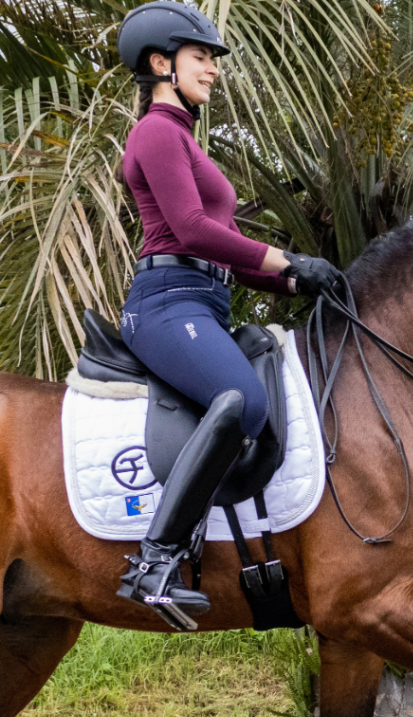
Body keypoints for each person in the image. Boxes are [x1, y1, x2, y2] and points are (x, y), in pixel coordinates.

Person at [114, 0, 335, 623]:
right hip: (166, 302)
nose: (213, 69)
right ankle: (154, 560)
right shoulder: (156, 132)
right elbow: (189, 229)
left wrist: (298, 279)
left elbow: (227, 252)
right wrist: (287, 256)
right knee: (242, 400)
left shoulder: (186, 141)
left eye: (214, 60)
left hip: (202, 297)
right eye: (201, 57)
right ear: (161, 63)